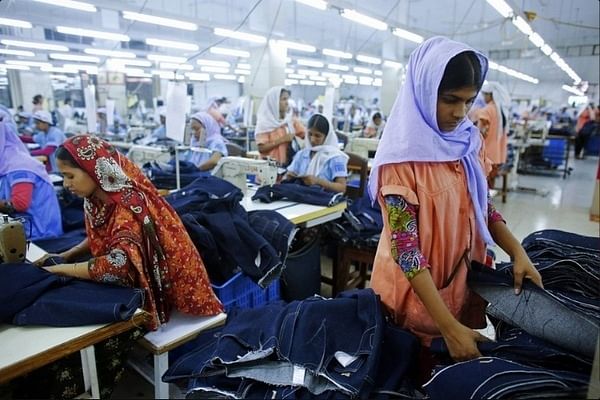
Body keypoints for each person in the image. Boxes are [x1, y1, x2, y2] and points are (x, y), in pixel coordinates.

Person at [368, 36, 543, 363]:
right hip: (413, 295)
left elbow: (484, 207)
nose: (460, 112)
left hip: (459, 282)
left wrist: (517, 252)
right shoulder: (401, 163)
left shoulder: (466, 143)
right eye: (450, 99)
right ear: (423, 89)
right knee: (410, 369)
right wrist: (448, 328)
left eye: (468, 100)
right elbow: (406, 251)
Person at [41, 135, 223, 330]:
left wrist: (60, 269)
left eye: (70, 176)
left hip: (173, 290)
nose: (67, 185)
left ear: (93, 169)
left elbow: (117, 266)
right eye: (63, 177)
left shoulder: (127, 207)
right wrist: (68, 255)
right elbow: (106, 236)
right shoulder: (96, 199)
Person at [0, 120, 63, 240]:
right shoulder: (6, 164)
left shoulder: (19, 167)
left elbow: (20, 204)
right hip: (21, 227)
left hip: (38, 234)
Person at [286, 113, 348, 193]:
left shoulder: (335, 157)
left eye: (317, 136)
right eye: (310, 134)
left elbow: (342, 188)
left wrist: (318, 181)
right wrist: (289, 176)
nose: (312, 139)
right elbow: (290, 174)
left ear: (327, 137)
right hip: (301, 198)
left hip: (323, 200)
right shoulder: (302, 154)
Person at [255, 86, 304, 167]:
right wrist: (283, 140)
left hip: (287, 168)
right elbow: (261, 148)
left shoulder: (290, 121)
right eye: (283, 99)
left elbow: (305, 134)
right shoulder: (264, 123)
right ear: (274, 102)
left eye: (287, 99)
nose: (287, 102)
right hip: (269, 169)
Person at [473, 81, 511, 184]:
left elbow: (480, 133)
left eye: (485, 95)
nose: (484, 98)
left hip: (486, 155)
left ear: (490, 95)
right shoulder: (501, 111)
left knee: (482, 185)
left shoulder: (486, 111)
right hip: (498, 154)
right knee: (490, 185)